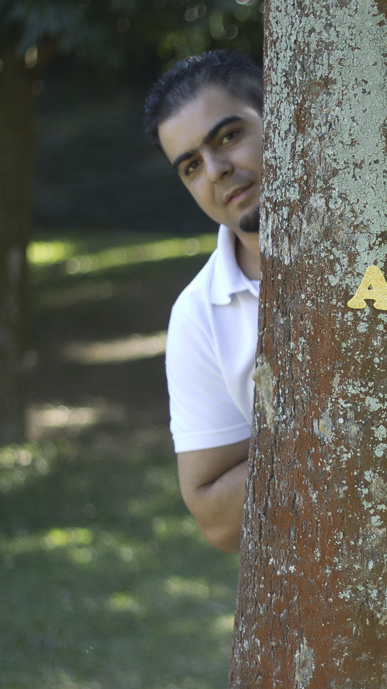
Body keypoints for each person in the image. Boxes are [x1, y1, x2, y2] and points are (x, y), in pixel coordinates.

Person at [143, 50, 264, 553]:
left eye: (229, 136)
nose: (215, 170)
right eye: (191, 166)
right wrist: (338, 424)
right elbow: (218, 522)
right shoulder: (199, 315)